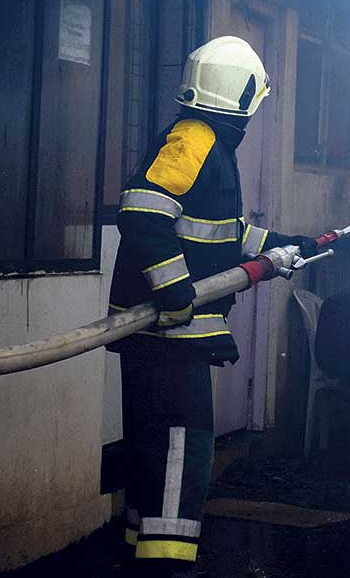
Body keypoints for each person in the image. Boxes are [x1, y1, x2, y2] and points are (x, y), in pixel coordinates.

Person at [106, 35, 317, 576]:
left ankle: (144, 556)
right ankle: (167, 567)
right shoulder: (194, 140)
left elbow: (221, 233)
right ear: (241, 95)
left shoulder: (209, 148)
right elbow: (143, 211)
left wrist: (282, 245)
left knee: (159, 452)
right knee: (181, 450)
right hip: (166, 335)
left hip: (170, 336)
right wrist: (173, 288)